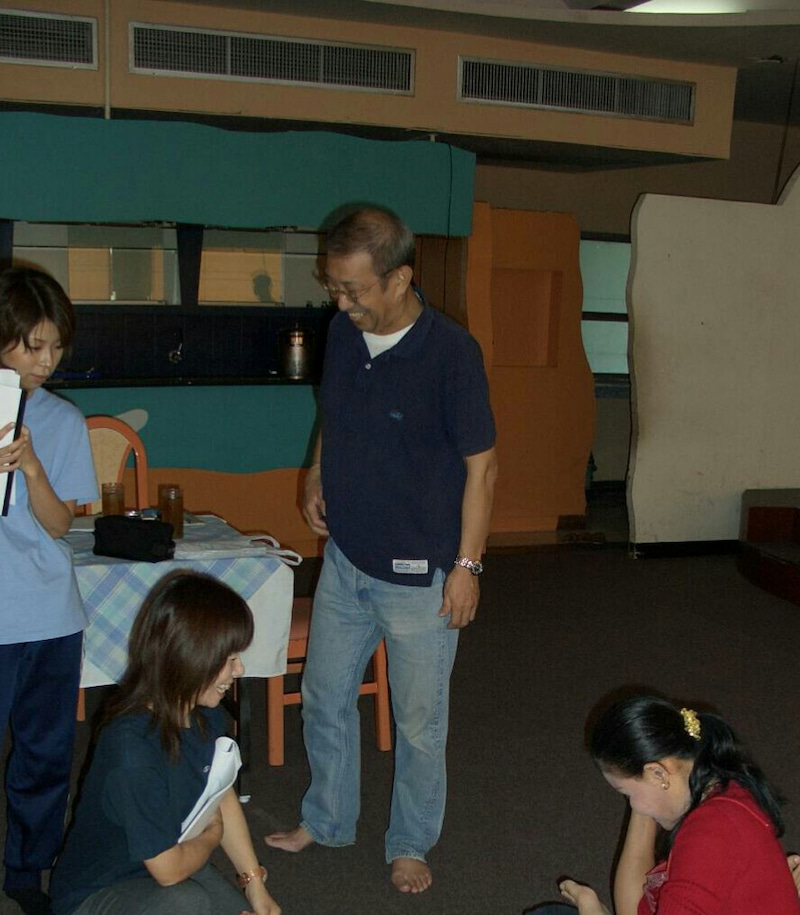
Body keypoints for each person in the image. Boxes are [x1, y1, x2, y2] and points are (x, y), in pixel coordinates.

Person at [266, 206, 498, 894]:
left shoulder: (451, 354)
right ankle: (328, 818)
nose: (341, 303)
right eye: (333, 287)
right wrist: (315, 470)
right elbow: (333, 413)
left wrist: (467, 567)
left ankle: (410, 842)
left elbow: (483, 469)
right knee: (323, 697)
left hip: (421, 576)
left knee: (420, 724)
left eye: (353, 289)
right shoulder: (343, 332)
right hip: (346, 560)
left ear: (399, 278)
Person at [49, 570, 281, 915]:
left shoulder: (204, 715)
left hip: (173, 856)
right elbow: (169, 871)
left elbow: (221, 794)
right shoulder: (133, 749)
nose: (239, 670)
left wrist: (254, 882)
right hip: (100, 890)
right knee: (187, 902)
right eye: (229, 659)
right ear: (191, 657)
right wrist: (211, 835)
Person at [0, 267, 98, 915]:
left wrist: (31, 467)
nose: (46, 360)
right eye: (33, 345)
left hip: (49, 615)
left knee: (45, 754)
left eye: (56, 346)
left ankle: (27, 869)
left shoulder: (62, 420)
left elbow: (62, 525)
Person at [535, 694, 800, 915]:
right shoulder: (722, 786)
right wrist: (648, 793)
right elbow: (634, 907)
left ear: (658, 774)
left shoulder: (709, 837)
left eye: (626, 793)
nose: (633, 805)